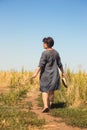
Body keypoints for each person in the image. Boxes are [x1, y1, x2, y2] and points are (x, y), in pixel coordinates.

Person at [32, 37, 65, 113]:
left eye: (44, 43)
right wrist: (63, 72)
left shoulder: (45, 53)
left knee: (44, 90)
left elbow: (41, 65)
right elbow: (60, 64)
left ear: (47, 44)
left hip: (45, 75)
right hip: (54, 75)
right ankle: (50, 105)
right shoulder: (56, 53)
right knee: (51, 91)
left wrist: (35, 73)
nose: (43, 45)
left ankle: (45, 106)